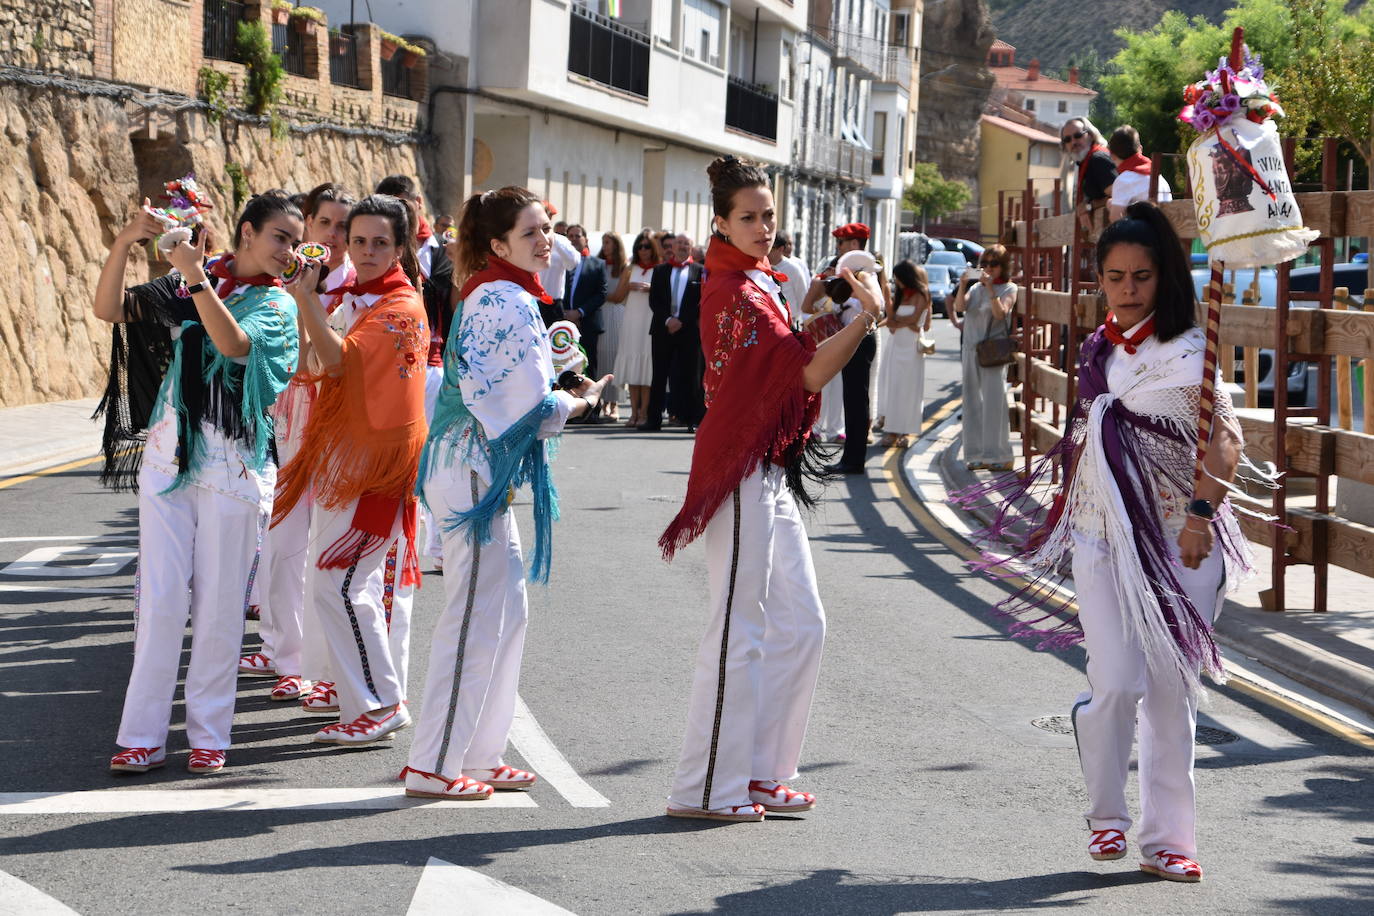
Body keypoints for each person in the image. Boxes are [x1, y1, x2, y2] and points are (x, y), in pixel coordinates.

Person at [962, 201, 1258, 884]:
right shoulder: (1096, 351)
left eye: (1142, 276)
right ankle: (1106, 816)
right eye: (1116, 276)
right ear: (1100, 279)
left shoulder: (1190, 354)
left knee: (1169, 691)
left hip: (1184, 543)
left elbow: (1227, 441)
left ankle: (1169, 839)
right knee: (1117, 685)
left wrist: (1198, 516)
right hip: (1101, 539)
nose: (1128, 289)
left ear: (1164, 277)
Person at [659, 156, 884, 822]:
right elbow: (808, 376)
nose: (762, 227)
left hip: (767, 467)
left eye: (768, 217)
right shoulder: (736, 288)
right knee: (737, 630)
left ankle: (760, 772)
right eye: (749, 218)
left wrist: (841, 314)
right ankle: (703, 788)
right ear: (722, 223)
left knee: (802, 624)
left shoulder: (755, 281)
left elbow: (789, 357)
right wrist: (863, 317)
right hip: (739, 468)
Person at [401, 187, 609, 800]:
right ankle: (434, 762)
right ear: (497, 245)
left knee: (505, 609)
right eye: (532, 233)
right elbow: (529, 408)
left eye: (547, 229)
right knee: (474, 615)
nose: (546, 240)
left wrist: (562, 387)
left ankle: (481, 752)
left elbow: (517, 388)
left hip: (476, 468)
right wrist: (579, 399)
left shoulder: (502, 294)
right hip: (471, 470)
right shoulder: (504, 299)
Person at [97, 192, 301, 775]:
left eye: (294, 239)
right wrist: (125, 242)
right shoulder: (200, 278)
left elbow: (234, 347)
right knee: (159, 601)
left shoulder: (277, 306)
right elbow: (110, 309)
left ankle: (210, 733)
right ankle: (142, 734)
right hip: (168, 456)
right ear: (247, 232)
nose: (289, 251)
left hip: (233, 468)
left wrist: (191, 278)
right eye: (280, 236)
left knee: (218, 607)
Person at [272, 194, 430, 747]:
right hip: (347, 460)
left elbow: (338, 361)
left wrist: (307, 300)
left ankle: (381, 703)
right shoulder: (358, 299)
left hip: (372, 467)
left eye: (379, 243)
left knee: (339, 585)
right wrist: (311, 304)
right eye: (358, 240)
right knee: (339, 583)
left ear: (401, 246)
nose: (364, 251)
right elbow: (314, 362)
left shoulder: (398, 307)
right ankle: (369, 700)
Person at [243, 182, 357, 706]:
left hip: (339, 424)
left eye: (343, 227)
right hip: (290, 418)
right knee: (285, 537)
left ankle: (319, 662)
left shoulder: (357, 285)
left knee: (325, 546)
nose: (334, 236)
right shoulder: (280, 283)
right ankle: (283, 653)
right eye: (325, 224)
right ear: (306, 227)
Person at [801, 223, 890, 475]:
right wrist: (823, 281)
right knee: (851, 399)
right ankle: (851, 457)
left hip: (861, 338)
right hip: (846, 338)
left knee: (855, 400)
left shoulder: (865, 274)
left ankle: (853, 459)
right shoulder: (843, 274)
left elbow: (877, 305)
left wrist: (849, 277)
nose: (837, 248)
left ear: (853, 245)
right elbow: (808, 306)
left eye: (841, 243)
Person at [950, 244, 1017, 471]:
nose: (988, 268)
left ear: (1003, 266)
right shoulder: (976, 288)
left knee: (995, 403)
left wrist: (991, 290)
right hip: (970, 349)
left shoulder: (1009, 288)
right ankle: (975, 454)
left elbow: (1001, 314)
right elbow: (960, 306)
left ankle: (999, 454)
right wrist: (962, 284)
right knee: (971, 402)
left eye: (993, 264)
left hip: (992, 352)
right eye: (984, 264)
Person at [644, 233, 704, 431]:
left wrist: (682, 321)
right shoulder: (660, 270)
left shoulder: (700, 271)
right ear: (673, 246)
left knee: (691, 377)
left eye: (686, 243)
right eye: (679, 243)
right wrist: (669, 320)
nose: (682, 246)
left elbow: (701, 301)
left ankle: (692, 420)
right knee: (659, 376)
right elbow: (655, 300)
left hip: (688, 332)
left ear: (691, 247)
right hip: (663, 329)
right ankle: (653, 420)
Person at [877, 261, 932, 448]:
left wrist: (899, 321)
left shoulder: (922, 294)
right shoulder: (900, 295)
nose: (896, 282)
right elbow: (892, 322)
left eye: (898, 278)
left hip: (912, 347)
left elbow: (916, 320)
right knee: (894, 387)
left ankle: (905, 431)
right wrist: (900, 320)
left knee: (909, 389)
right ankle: (891, 430)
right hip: (896, 344)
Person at [610, 230, 659, 427]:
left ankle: (644, 412)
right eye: (640, 247)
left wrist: (651, 289)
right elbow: (617, 296)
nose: (643, 250)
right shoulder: (630, 269)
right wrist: (628, 287)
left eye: (647, 246)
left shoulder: (660, 269)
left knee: (646, 367)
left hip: (649, 319)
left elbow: (665, 297)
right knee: (632, 366)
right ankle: (633, 412)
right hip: (632, 320)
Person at [564, 224, 607, 381]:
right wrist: (565, 313)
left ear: (586, 240)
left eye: (577, 236)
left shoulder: (597, 264)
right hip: (562, 323)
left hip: (587, 323)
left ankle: (591, 404)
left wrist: (579, 312)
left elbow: (601, 294)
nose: (574, 239)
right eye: (570, 236)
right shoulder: (558, 262)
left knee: (587, 364)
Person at [1062, 118, 1117, 233]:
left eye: (1078, 135)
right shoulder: (1084, 163)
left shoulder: (1098, 159)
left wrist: (1088, 206)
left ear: (1091, 135)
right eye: (1067, 139)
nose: (1073, 142)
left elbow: (1120, 195)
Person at [1107, 125, 1173, 220]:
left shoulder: (1124, 180)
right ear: (1140, 149)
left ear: (1112, 155)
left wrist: (1112, 207)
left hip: (1144, 232)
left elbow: (1116, 219)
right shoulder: (1159, 177)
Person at [597, 232, 628, 421]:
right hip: (600, 313)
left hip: (615, 314)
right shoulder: (598, 264)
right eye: (603, 242)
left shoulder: (624, 267)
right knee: (601, 357)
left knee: (614, 357)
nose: (605, 246)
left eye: (608, 242)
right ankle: (601, 401)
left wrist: (599, 295)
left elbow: (618, 296)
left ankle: (614, 403)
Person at [537, 202, 580, 327]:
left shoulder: (560, 240)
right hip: (531, 300)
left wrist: (553, 239)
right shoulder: (527, 238)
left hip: (553, 304)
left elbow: (572, 263)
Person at [768, 232, 811, 324]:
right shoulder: (763, 266)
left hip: (790, 321)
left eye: (771, 249)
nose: (767, 252)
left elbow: (802, 296)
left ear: (781, 249)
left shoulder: (793, 269)